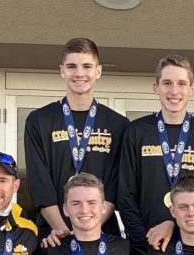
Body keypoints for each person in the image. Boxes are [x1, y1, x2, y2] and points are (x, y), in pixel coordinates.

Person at [118, 54, 194, 255]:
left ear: (192, 88)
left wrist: (187, 237)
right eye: (167, 83)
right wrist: (143, 242)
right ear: (156, 87)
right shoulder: (136, 132)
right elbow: (125, 195)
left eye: (182, 84)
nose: (174, 91)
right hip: (144, 247)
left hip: (191, 248)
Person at [24, 37, 127, 240]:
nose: (79, 73)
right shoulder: (39, 120)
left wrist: (88, 230)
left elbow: (116, 185)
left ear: (98, 71)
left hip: (103, 233)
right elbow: (39, 182)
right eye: (72, 66)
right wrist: (63, 230)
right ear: (62, 70)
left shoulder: (118, 124)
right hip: (53, 234)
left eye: (87, 66)